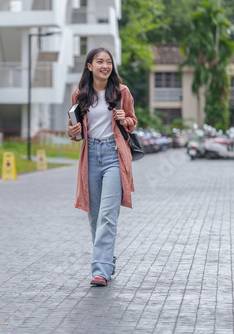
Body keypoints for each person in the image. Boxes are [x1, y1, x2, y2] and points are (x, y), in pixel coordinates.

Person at [66, 47, 137, 287]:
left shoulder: (120, 92)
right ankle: (107, 259)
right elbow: (75, 131)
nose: (105, 66)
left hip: (114, 155)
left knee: (108, 215)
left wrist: (123, 119)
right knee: (94, 216)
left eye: (108, 62)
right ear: (90, 66)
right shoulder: (79, 95)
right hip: (90, 155)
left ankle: (100, 270)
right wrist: (72, 132)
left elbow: (132, 122)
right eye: (100, 61)